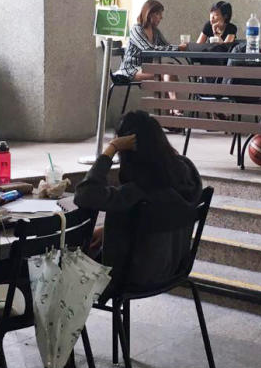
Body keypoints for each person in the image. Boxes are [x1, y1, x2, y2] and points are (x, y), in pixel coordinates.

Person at [75, 110, 203, 290]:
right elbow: (159, 216)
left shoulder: (139, 190)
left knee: (66, 259)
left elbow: (84, 194)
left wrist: (111, 148)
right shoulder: (186, 172)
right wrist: (109, 230)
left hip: (132, 276)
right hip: (175, 267)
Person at [117, 0, 172, 82]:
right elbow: (148, 49)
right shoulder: (136, 30)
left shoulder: (155, 31)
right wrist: (178, 48)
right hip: (130, 70)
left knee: (172, 69)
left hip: (146, 68)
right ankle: (172, 96)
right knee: (165, 72)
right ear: (148, 14)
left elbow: (167, 46)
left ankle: (171, 96)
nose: (161, 17)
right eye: (158, 14)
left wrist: (181, 48)